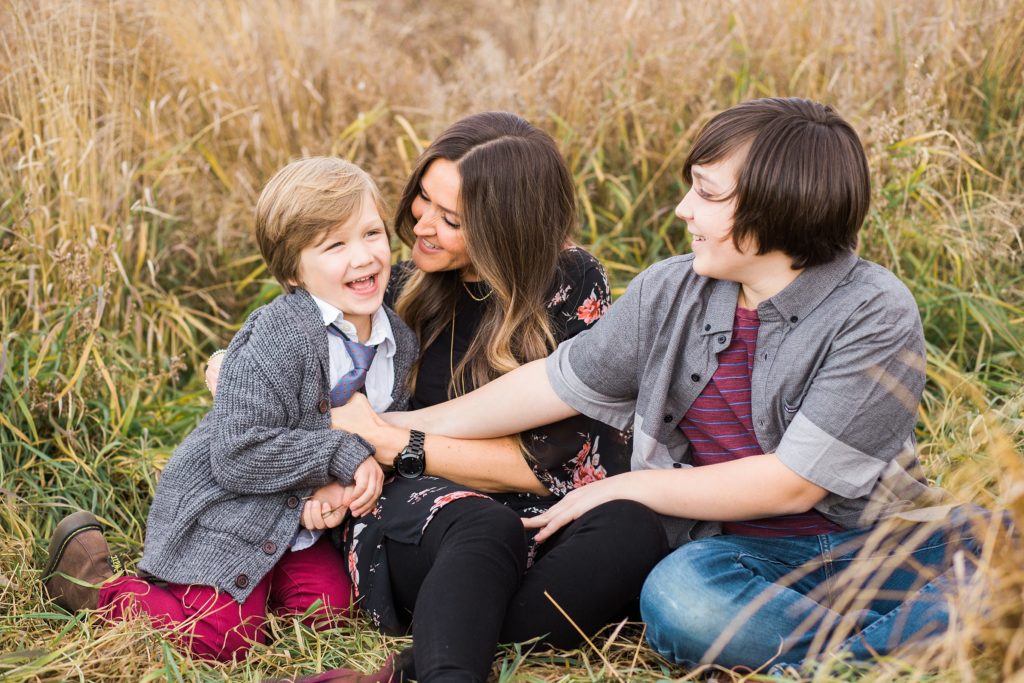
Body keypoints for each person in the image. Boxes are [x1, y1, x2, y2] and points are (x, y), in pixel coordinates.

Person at [382, 98, 989, 671]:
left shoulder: (874, 311)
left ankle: (825, 657)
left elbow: (792, 484)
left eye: (706, 193)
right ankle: (921, 637)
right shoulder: (670, 289)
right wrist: (392, 429)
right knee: (678, 599)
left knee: (1005, 539)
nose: (682, 210)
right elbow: (552, 384)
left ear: (776, 209)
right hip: (729, 558)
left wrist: (627, 489)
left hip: (867, 544)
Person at [212, 112, 668, 683]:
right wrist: (226, 372)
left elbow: (556, 470)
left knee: (634, 526)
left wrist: (392, 439)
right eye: (422, 199)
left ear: (508, 228)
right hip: (415, 515)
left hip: (536, 516)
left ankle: (433, 650)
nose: (422, 224)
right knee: (481, 527)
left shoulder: (568, 283)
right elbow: (274, 357)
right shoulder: (396, 288)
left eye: (451, 219)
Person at [42, 157, 418, 661]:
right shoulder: (279, 333)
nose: (364, 256)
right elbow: (239, 453)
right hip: (226, 506)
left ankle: (261, 590)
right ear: (293, 270)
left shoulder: (400, 341)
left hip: (295, 524)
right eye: (335, 245)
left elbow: (377, 433)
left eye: (371, 233)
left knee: (329, 613)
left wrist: (334, 491)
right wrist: (339, 456)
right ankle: (92, 584)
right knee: (222, 639)